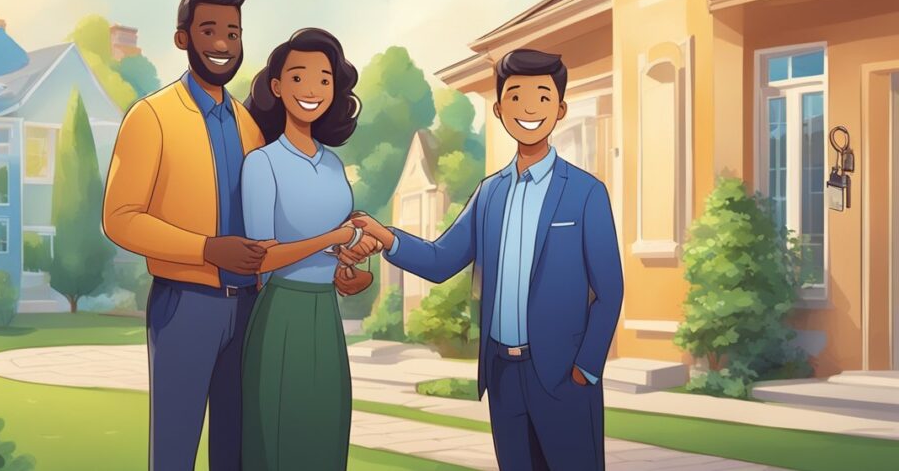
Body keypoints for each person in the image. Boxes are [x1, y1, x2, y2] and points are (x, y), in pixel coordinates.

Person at [348, 49, 624, 471]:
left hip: (563, 377)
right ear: (498, 109)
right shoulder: (490, 193)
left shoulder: (586, 193)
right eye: (516, 97)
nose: (529, 108)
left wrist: (586, 368)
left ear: (561, 108)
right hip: (503, 377)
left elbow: (609, 290)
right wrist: (387, 237)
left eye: (543, 97)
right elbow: (441, 260)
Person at [102, 0, 272, 471]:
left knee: (237, 452)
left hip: (249, 308)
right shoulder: (150, 117)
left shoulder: (249, 126)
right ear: (183, 38)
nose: (222, 44)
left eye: (233, 34)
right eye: (210, 30)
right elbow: (119, 218)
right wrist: (206, 249)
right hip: (184, 307)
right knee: (174, 449)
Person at [239, 28, 364, 471]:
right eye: (298, 77)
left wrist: (348, 272)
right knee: (278, 434)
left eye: (324, 79)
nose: (311, 90)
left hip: (325, 316)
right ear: (276, 87)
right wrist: (332, 239)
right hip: (281, 316)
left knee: (325, 431)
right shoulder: (262, 164)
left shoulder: (332, 165)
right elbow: (262, 259)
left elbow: (340, 251)